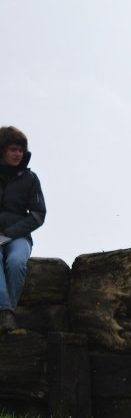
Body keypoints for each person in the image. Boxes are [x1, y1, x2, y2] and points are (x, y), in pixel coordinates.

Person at [0, 126, 46, 334]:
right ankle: (6, 313)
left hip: (18, 236)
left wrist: (9, 234)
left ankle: (7, 312)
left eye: (20, 150)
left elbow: (38, 214)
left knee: (17, 262)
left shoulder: (30, 179)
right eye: (13, 149)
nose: (18, 154)